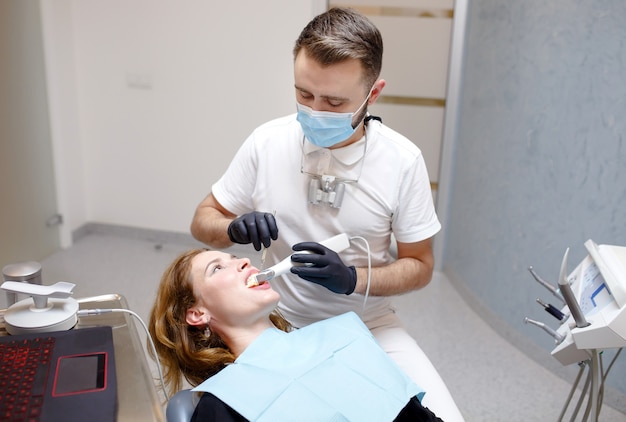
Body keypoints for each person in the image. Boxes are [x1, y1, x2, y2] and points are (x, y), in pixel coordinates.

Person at [190, 7, 462, 420]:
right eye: (304, 94)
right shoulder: (267, 142)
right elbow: (202, 221)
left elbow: (420, 266)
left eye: (334, 101)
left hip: (368, 322)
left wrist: (353, 279)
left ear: (374, 93)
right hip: (276, 323)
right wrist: (232, 226)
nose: (315, 110)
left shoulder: (403, 162)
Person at [149, 248, 443, 421]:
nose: (244, 262)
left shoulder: (344, 335)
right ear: (197, 314)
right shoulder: (223, 403)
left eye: (237, 257)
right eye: (217, 268)